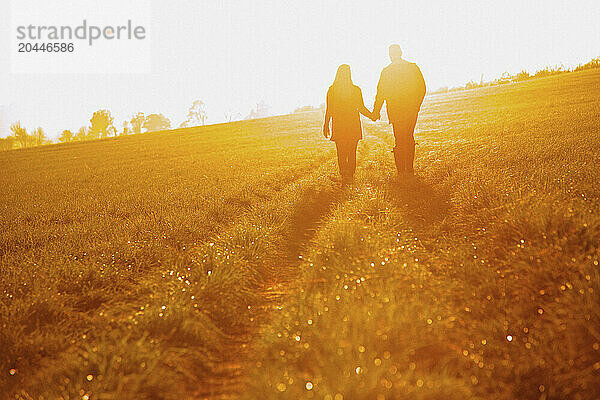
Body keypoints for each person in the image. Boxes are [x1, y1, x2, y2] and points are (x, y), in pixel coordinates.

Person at [372, 44, 426, 175]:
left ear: (390, 55)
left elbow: (381, 93)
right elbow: (422, 88)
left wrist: (376, 111)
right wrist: (416, 106)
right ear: (401, 52)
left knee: (400, 139)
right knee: (409, 137)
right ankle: (409, 168)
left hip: (395, 111)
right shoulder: (413, 67)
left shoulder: (386, 71)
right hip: (411, 111)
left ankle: (402, 170)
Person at [323, 64, 373, 184]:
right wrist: (372, 115)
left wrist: (326, 125)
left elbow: (329, 109)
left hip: (339, 124)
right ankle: (349, 176)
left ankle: (345, 176)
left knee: (341, 152)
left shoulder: (332, 89)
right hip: (352, 124)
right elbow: (361, 108)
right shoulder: (355, 89)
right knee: (351, 152)